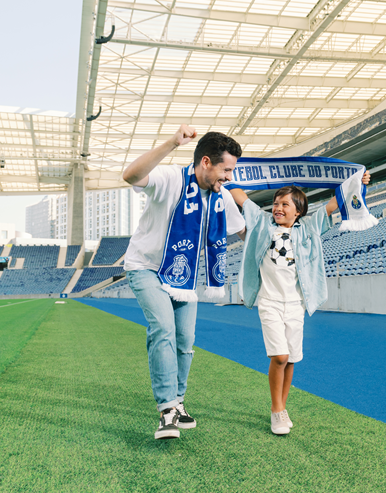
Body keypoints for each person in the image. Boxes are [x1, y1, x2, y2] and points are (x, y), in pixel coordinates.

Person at [122, 125, 245, 440]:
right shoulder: (172, 179)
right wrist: (171, 143)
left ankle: (178, 401)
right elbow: (131, 176)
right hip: (146, 267)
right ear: (206, 162)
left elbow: (245, 232)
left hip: (184, 278)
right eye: (225, 169)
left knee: (185, 341)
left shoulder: (221, 197)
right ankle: (166, 410)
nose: (229, 177)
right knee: (163, 328)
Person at [230, 171, 370, 435]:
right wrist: (229, 177)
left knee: (291, 358)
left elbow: (334, 203)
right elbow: (240, 197)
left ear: (299, 211)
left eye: (285, 204)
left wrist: (356, 183)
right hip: (269, 302)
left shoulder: (309, 227)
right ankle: (275, 410)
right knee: (279, 356)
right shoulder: (261, 224)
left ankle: (283, 408)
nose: (278, 208)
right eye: (276, 203)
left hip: (296, 304)